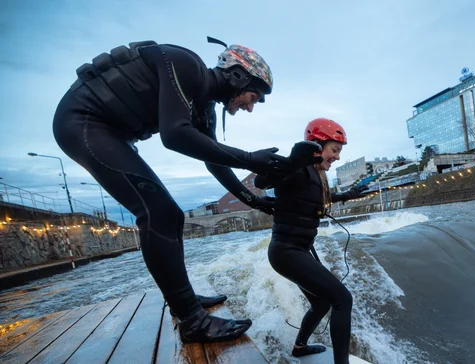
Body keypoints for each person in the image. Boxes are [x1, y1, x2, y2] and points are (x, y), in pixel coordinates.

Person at [52, 37, 313, 343]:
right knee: (160, 214)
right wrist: (250, 159)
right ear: (238, 77)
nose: (251, 108)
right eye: (253, 97)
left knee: (168, 215)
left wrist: (255, 201)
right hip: (83, 121)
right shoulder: (186, 65)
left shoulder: (204, 110)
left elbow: (214, 163)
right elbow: (174, 135)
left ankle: (185, 301)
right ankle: (192, 320)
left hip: (113, 132)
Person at [254, 118, 368, 364]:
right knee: (342, 299)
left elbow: (314, 198)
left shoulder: (316, 176)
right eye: (334, 150)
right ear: (317, 146)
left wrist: (347, 195)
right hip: (286, 252)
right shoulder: (299, 169)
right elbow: (261, 182)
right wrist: (292, 162)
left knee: (321, 303)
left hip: (298, 251)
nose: (337, 157)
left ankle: (299, 347)